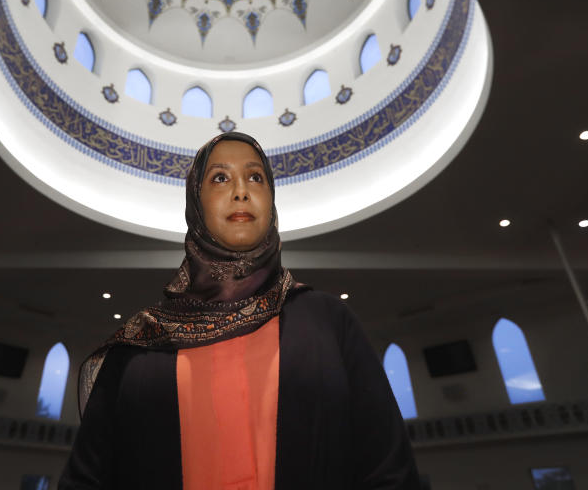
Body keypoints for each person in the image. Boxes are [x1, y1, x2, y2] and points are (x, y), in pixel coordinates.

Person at [61, 132, 420, 490]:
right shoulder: (142, 345)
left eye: (255, 177)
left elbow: (388, 469)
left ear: (271, 201)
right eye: (220, 178)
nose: (241, 191)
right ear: (195, 204)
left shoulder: (327, 322)